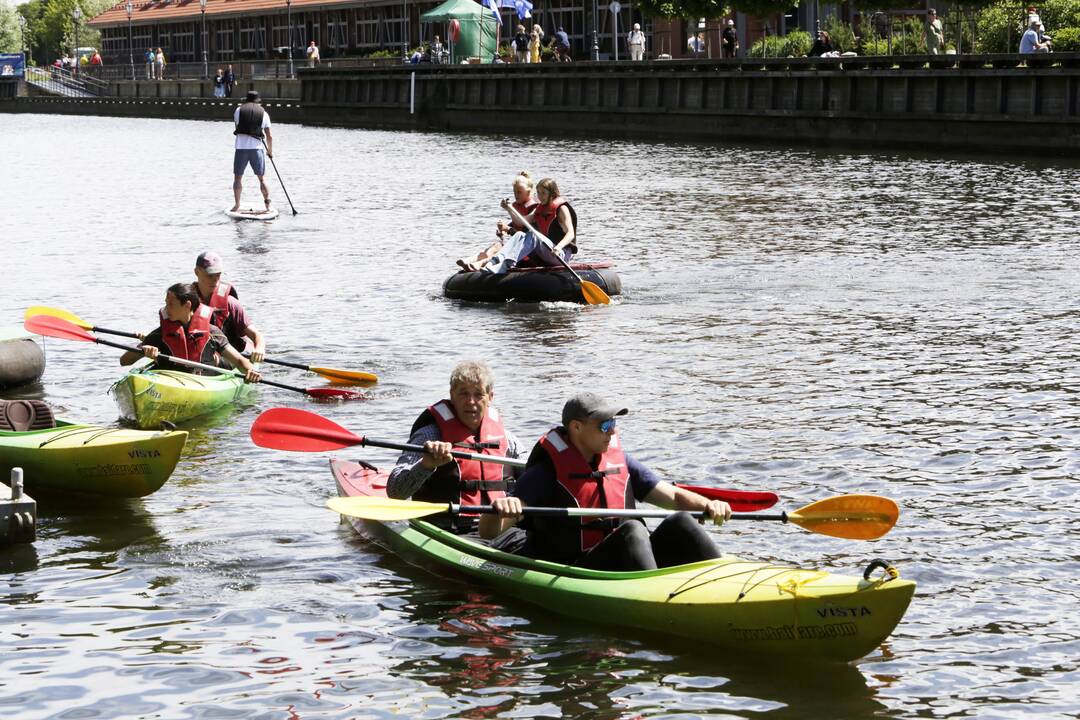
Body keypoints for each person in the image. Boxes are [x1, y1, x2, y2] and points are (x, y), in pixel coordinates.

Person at [479, 392, 732, 571]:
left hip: (628, 558)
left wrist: (708, 505)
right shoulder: (545, 474)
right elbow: (488, 532)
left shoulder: (620, 462)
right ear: (576, 427)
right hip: (579, 567)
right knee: (633, 530)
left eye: (614, 423)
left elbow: (675, 498)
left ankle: (722, 580)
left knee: (680, 520)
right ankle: (654, 597)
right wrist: (501, 509)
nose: (613, 431)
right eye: (605, 424)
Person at [387, 361, 526, 535]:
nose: (471, 402)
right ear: (452, 395)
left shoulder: (507, 439)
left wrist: (516, 499)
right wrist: (426, 464)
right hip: (448, 530)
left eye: (478, 394)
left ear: (490, 397)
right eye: (463, 394)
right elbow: (394, 491)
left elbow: (532, 474)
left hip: (499, 527)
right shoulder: (429, 435)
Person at [118, 283, 261, 383]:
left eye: (171, 305)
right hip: (171, 382)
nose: (166, 309)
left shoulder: (212, 332)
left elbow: (238, 361)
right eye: (166, 304)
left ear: (187, 305)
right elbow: (124, 361)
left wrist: (250, 371)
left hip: (205, 381)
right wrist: (143, 351)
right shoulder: (160, 334)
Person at [482, 177, 577, 274]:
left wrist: (559, 247)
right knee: (519, 234)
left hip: (560, 255)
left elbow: (570, 233)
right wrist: (509, 209)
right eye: (538, 192)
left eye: (543, 193)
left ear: (552, 194)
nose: (540, 196)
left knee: (533, 234)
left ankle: (506, 265)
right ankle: (494, 261)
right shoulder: (541, 208)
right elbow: (521, 221)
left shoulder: (562, 209)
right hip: (547, 251)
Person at [457, 171, 538, 272]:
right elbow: (513, 226)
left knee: (499, 247)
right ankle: (472, 260)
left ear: (529, 192)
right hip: (517, 247)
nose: (516, 195)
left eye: (519, 192)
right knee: (497, 244)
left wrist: (508, 229)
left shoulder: (535, 209)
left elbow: (526, 237)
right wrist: (503, 231)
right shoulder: (518, 206)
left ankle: (481, 263)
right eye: (514, 191)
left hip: (526, 252)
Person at [192, 250, 266, 360]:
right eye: (210, 275)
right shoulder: (186, 301)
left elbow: (256, 335)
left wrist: (259, 349)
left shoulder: (230, 303)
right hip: (200, 356)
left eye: (218, 275)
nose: (215, 280)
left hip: (231, 357)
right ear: (197, 272)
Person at [231, 90, 273, 213]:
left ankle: (237, 205)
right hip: (257, 149)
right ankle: (268, 206)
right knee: (262, 179)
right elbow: (269, 135)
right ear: (258, 101)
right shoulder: (264, 113)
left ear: (246, 100)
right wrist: (270, 151)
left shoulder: (238, 111)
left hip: (241, 148)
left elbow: (237, 127)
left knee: (238, 178)